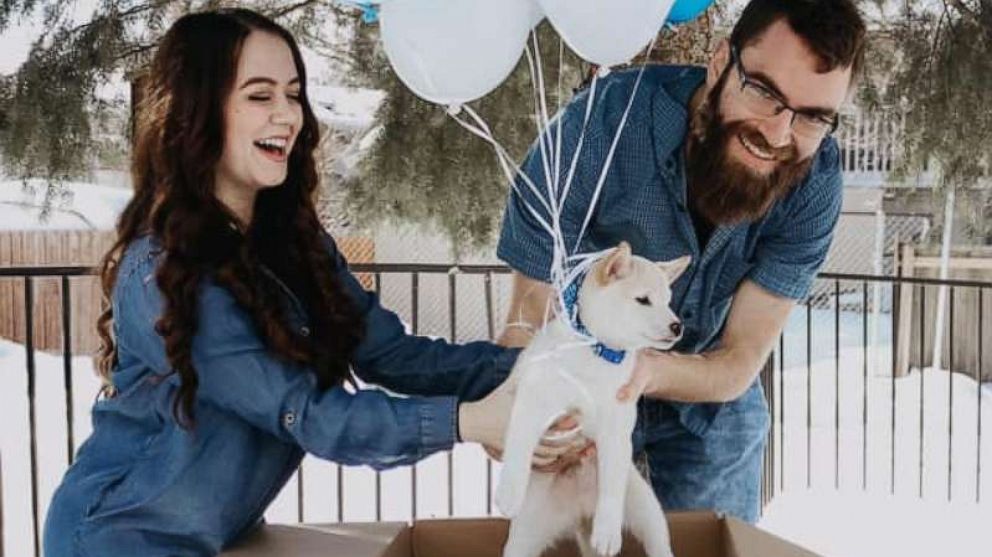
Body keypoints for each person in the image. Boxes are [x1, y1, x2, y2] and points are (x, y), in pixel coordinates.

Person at [42, 9, 578, 557]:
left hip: (216, 537)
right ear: (197, 113)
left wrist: (544, 370)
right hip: (112, 540)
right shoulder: (161, 272)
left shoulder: (296, 247)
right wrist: (470, 422)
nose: (287, 115)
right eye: (259, 95)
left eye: (293, 94)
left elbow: (396, 356)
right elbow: (308, 415)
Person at [496, 0, 866, 523]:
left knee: (713, 525)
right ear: (720, 63)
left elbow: (740, 358)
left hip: (705, 381)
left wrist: (643, 371)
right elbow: (526, 310)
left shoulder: (816, 184)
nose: (780, 134)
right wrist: (518, 401)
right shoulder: (600, 124)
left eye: (812, 117)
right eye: (764, 92)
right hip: (579, 370)